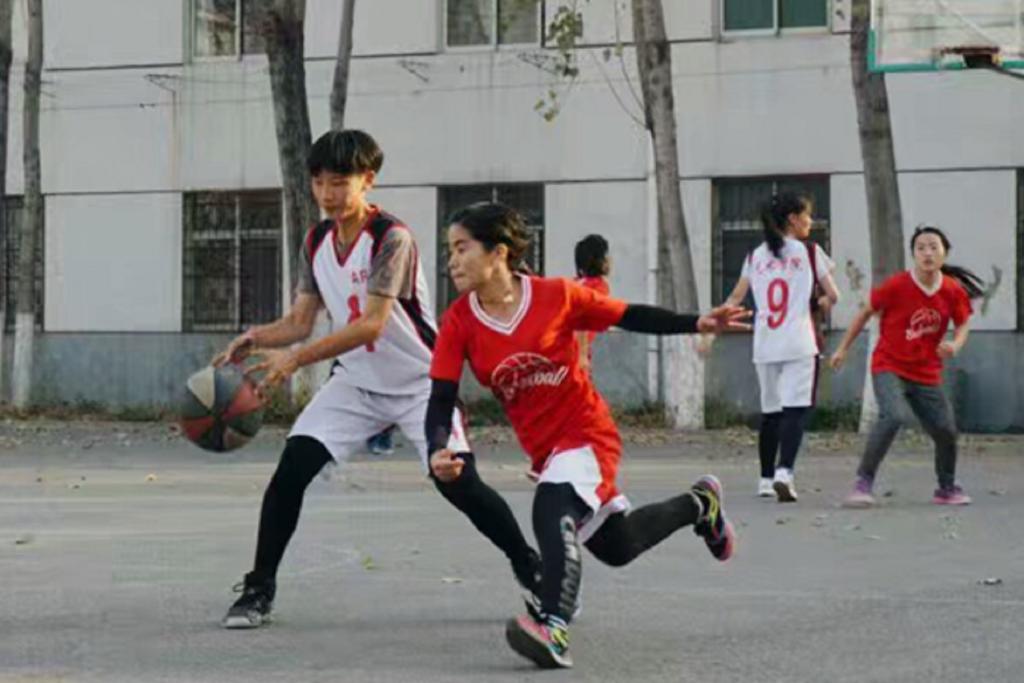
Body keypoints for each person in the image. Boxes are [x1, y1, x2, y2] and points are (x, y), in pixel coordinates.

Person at [214, 131, 540, 629]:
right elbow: (301, 321)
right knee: (290, 472)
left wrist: (295, 361)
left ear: (367, 179)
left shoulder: (391, 238)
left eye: (339, 182)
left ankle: (530, 566)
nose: (327, 194)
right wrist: (255, 338)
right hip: (357, 384)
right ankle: (259, 588)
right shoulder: (316, 241)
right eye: (318, 182)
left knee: (458, 483)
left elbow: (372, 324)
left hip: (422, 384)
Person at [425, 202, 747, 669]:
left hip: (586, 432)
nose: (451, 261)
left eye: (461, 248)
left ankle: (553, 625)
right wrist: (438, 447)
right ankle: (701, 505)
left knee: (551, 506)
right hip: (546, 451)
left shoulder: (556, 295)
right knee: (618, 546)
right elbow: (441, 397)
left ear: (498, 252)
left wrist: (694, 322)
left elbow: (627, 315)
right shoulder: (458, 321)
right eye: (449, 251)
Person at [831, 225, 983, 508]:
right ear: (913, 254)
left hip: (926, 372)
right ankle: (863, 483)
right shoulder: (897, 286)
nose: (927, 253)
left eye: (934, 247)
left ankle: (946, 488)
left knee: (946, 429)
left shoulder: (952, 290)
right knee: (893, 416)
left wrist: (956, 344)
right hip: (889, 365)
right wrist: (842, 348)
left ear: (944, 253)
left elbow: (963, 322)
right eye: (921, 248)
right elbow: (865, 312)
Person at [716, 192, 840, 502]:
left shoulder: (755, 256)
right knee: (795, 410)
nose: (810, 221)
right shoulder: (809, 251)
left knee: (770, 412)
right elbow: (833, 294)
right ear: (793, 219)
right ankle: (785, 471)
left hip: (765, 343)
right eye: (807, 215)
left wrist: (710, 331)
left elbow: (735, 298)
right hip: (799, 341)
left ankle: (765, 479)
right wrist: (819, 303)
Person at [573, 234, 611, 371]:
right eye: (605, 256)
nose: (609, 260)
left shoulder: (576, 283)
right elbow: (583, 319)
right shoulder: (598, 286)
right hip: (576, 352)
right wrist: (582, 355)